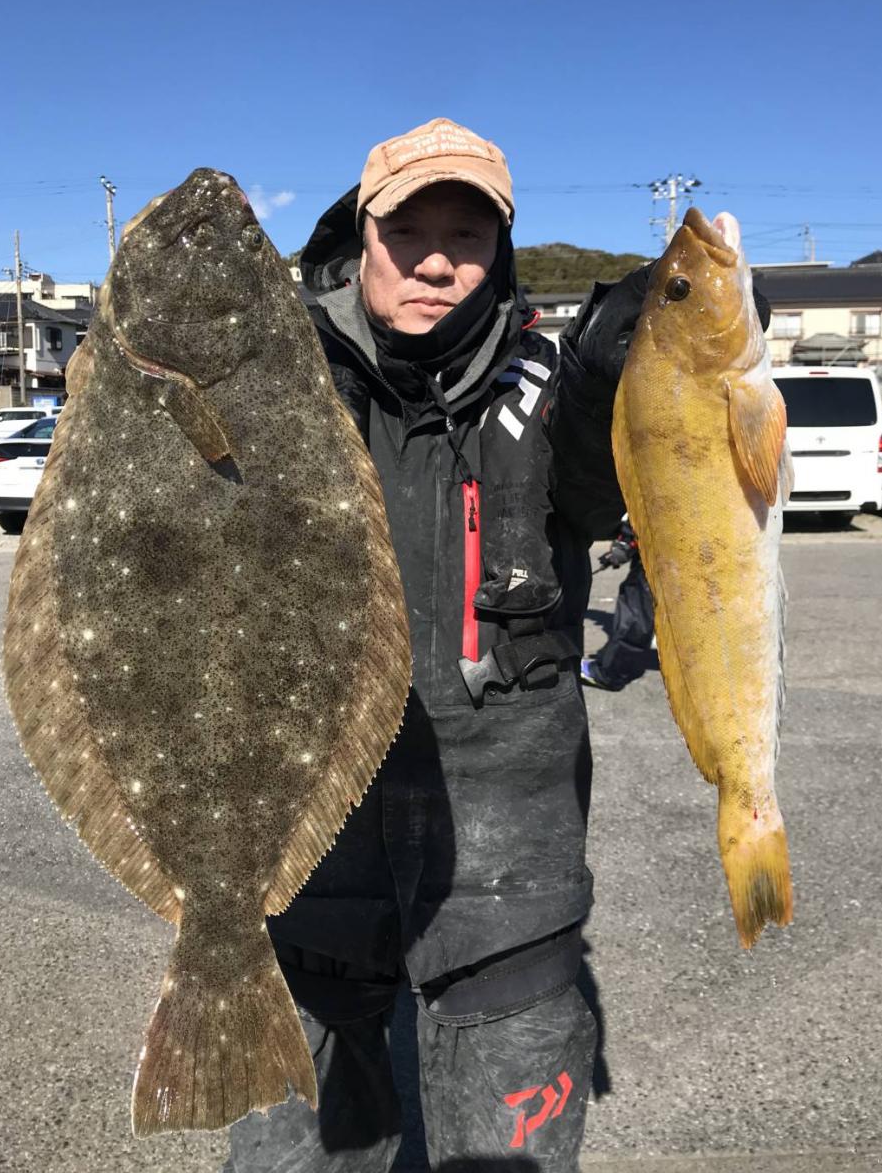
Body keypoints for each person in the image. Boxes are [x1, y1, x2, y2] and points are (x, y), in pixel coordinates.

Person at [224, 118, 767, 1172]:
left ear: (502, 249)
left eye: (466, 236)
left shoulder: (551, 393)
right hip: (298, 858)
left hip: (508, 872)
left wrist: (624, 350)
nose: (435, 261)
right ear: (357, 235)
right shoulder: (265, 386)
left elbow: (605, 471)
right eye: (407, 231)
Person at [580, 517, 655, 692]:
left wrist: (626, 542)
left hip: (660, 556)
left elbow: (649, 513)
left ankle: (612, 674)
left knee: (636, 617)